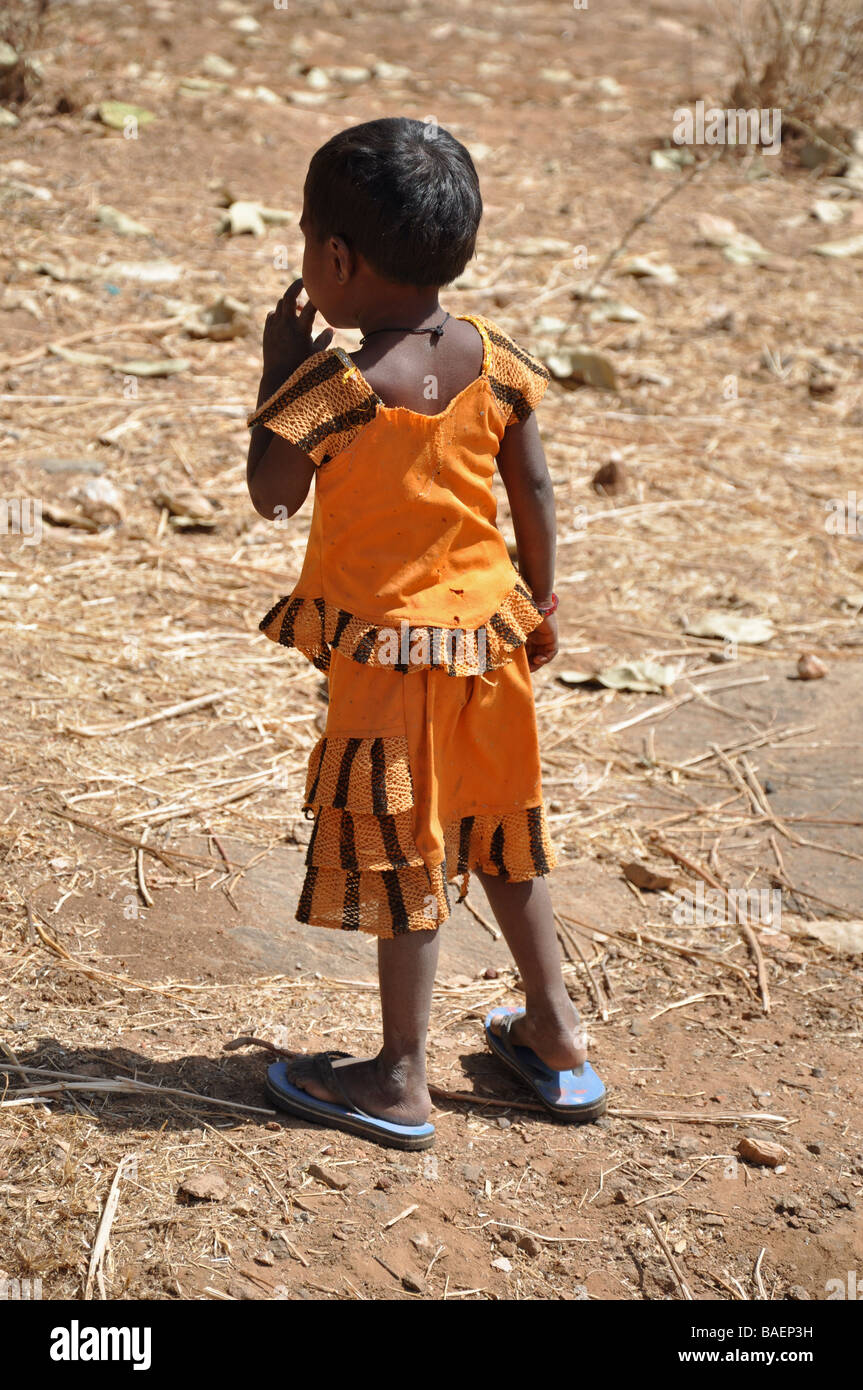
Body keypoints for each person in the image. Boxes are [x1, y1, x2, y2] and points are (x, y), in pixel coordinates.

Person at [246, 117, 605, 1150]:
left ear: (335, 260)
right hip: (491, 644)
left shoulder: (334, 389)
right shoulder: (491, 362)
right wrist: (543, 599)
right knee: (501, 832)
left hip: (393, 662)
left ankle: (399, 1079)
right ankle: (554, 1033)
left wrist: (277, 373)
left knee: (403, 850)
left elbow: (270, 495)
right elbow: (529, 486)